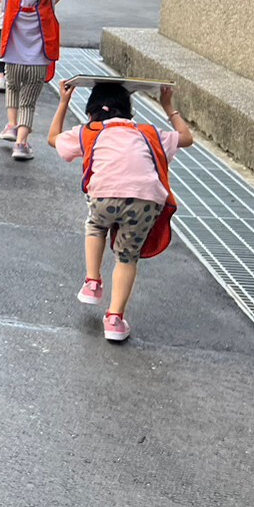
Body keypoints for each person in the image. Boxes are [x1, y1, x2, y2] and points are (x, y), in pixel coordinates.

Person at [48, 81, 192, 343]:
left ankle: (92, 281)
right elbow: (186, 138)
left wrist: (63, 102)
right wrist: (168, 106)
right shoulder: (149, 132)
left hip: (105, 196)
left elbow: (52, 139)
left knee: (96, 225)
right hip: (146, 200)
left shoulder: (89, 131)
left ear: (92, 111)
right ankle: (114, 319)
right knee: (127, 257)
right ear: (128, 112)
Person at [0, 0, 64, 162]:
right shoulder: (48, 3)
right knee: (28, 103)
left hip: (12, 60)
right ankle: (21, 144)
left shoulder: (10, 0)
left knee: (12, 90)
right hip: (38, 62)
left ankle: (11, 125)